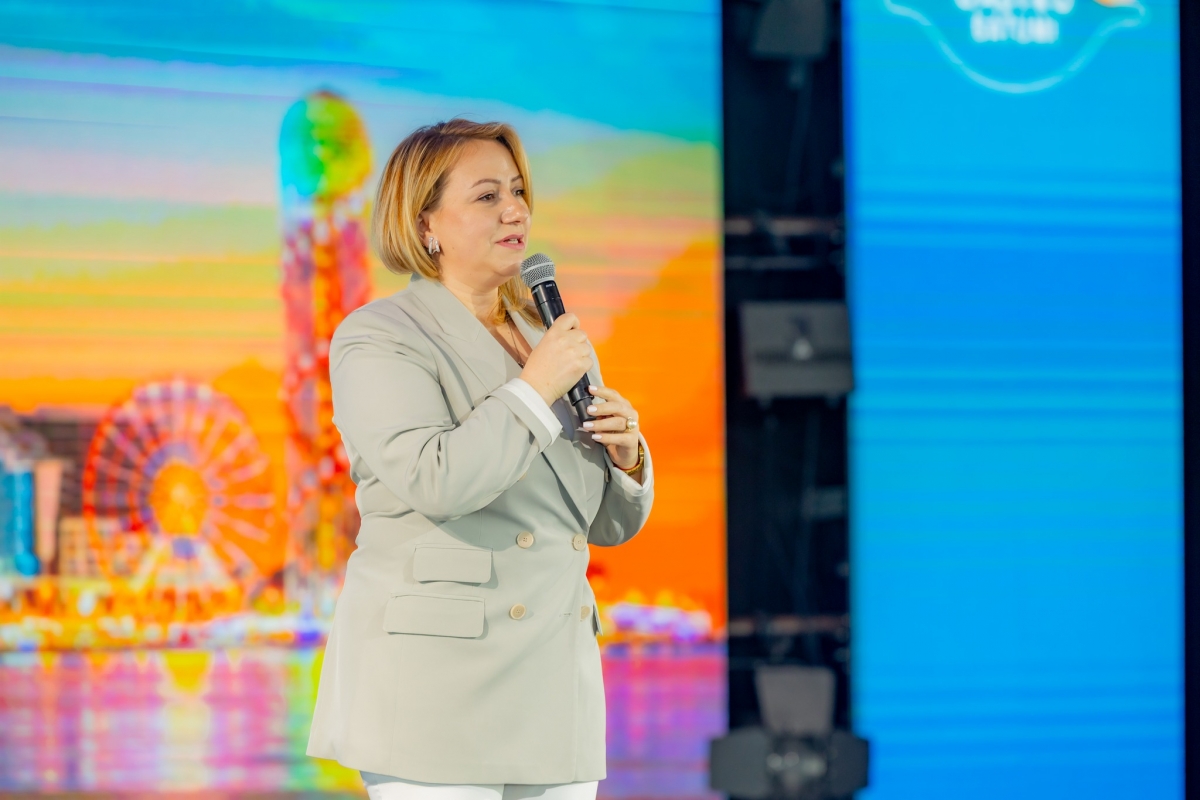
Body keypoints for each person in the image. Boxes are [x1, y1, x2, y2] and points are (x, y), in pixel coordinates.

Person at [306, 119, 654, 800]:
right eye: (487, 196)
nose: (515, 210)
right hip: (435, 688)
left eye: (518, 191)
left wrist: (627, 457)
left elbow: (600, 527)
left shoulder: (549, 339)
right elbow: (435, 478)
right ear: (426, 223)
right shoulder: (380, 337)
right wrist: (533, 389)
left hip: (553, 689)